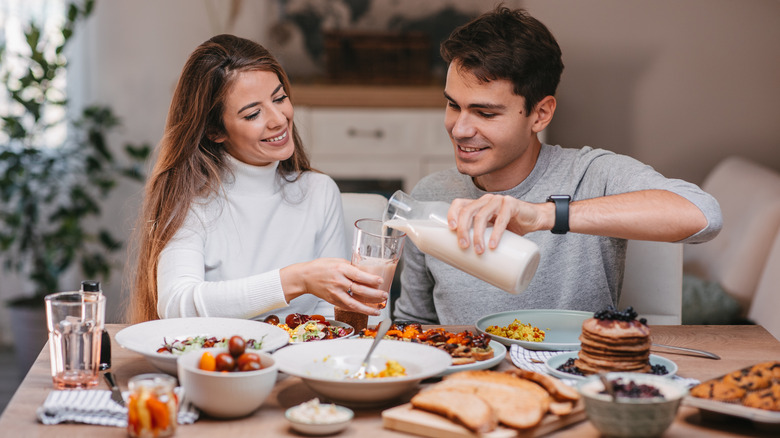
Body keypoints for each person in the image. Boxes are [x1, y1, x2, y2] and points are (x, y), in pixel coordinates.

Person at [393, 7, 723, 325]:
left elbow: (703, 215)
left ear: (541, 114)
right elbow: (414, 323)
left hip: (576, 374)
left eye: (486, 113)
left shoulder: (591, 175)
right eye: (453, 106)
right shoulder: (432, 195)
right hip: (469, 375)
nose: (460, 129)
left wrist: (543, 215)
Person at [127, 34, 386, 324]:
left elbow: (329, 312)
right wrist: (295, 280)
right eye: (253, 114)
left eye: (280, 98)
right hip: (218, 364)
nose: (278, 118)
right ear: (215, 131)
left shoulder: (319, 191)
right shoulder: (191, 197)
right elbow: (176, 304)